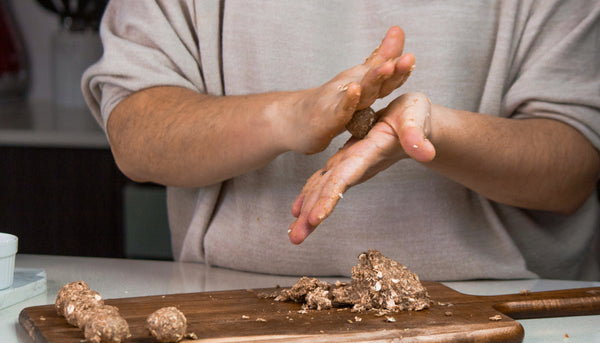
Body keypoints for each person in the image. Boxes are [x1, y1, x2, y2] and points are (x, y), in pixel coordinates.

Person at [82, 0, 600, 281]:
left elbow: (573, 168)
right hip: (231, 298)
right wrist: (288, 117)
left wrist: (431, 130)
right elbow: (136, 131)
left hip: (507, 304)